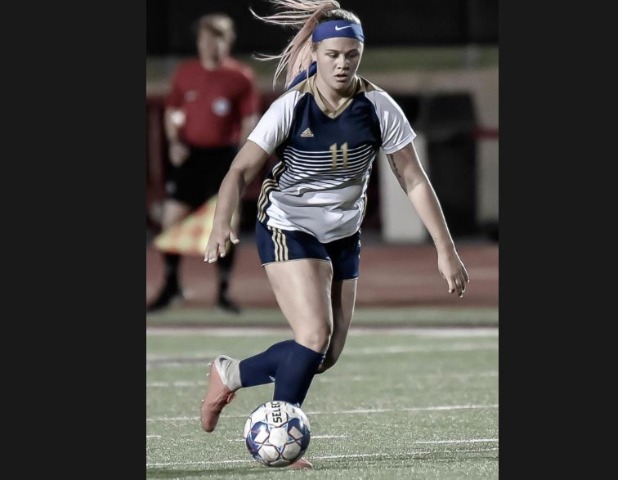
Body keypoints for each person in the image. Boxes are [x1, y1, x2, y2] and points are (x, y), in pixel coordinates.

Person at [199, 0, 470, 469]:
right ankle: (283, 434)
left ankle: (231, 373)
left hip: (343, 234)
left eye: (351, 55)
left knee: (323, 355)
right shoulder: (292, 107)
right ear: (315, 54)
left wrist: (446, 250)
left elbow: (413, 178)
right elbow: (239, 171)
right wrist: (221, 221)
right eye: (333, 55)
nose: (342, 64)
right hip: (288, 225)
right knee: (313, 335)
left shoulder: (378, 107)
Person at [147, 13, 261, 314]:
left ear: (228, 42)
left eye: (218, 38)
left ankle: (223, 292)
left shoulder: (240, 76)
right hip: (191, 156)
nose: (211, 45)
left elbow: (249, 118)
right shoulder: (185, 73)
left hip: (224, 157)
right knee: (170, 220)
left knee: (226, 222)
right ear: (198, 42)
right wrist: (174, 141)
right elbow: (173, 111)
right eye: (206, 39)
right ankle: (171, 285)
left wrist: (243, 154)